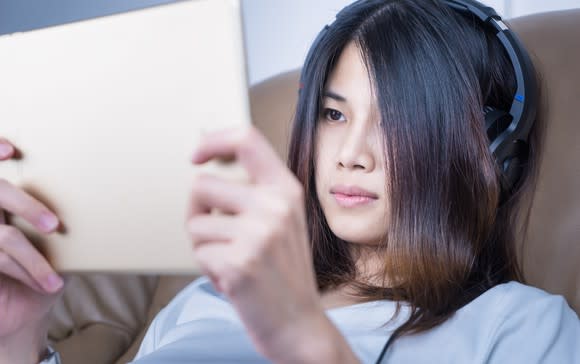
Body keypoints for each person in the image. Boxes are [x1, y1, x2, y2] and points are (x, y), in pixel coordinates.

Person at [0, 0, 579, 363]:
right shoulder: (202, 301)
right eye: (334, 115)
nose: (350, 156)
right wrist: (20, 340)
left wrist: (301, 333)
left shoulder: (518, 325)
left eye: (396, 123)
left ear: (491, 151)